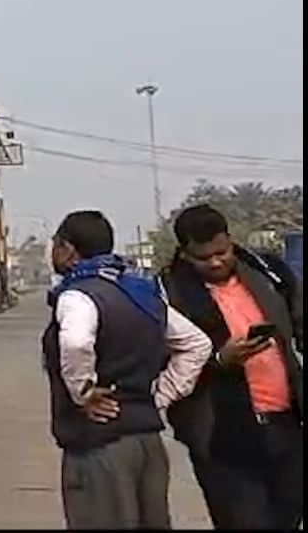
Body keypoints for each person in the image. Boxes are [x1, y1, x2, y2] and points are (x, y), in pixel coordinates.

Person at [43, 210, 211, 530]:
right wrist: (160, 396)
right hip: (147, 441)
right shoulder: (140, 292)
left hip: (100, 447)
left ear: (67, 248)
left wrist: (84, 393)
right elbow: (196, 345)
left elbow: (77, 343)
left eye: (55, 244)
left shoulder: (78, 295)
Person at [160, 204, 302, 530]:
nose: (216, 262)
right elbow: (162, 363)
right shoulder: (168, 295)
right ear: (184, 254)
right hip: (219, 435)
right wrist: (220, 361)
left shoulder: (269, 273)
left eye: (222, 252)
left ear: (230, 240)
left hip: (286, 426)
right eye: (203, 257)